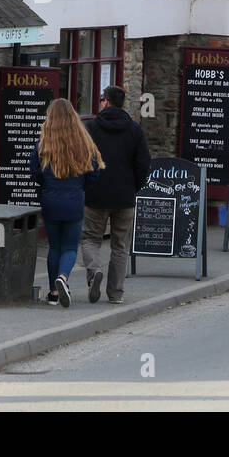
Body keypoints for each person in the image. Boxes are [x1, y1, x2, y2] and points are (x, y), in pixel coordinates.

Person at [81, 85, 151, 304]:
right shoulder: (135, 130)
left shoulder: (91, 127)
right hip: (124, 196)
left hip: (96, 193)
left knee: (90, 239)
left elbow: (82, 159)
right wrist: (134, 187)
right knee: (120, 246)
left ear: (106, 102)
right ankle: (116, 294)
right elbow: (143, 164)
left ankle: (94, 270)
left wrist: (85, 184)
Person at [32, 97, 103, 308]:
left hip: (51, 200)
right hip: (74, 200)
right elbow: (94, 173)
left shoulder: (43, 143)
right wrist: (80, 185)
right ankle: (62, 278)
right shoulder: (84, 143)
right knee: (70, 247)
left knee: (54, 246)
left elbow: (35, 172)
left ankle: (54, 293)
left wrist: (47, 184)